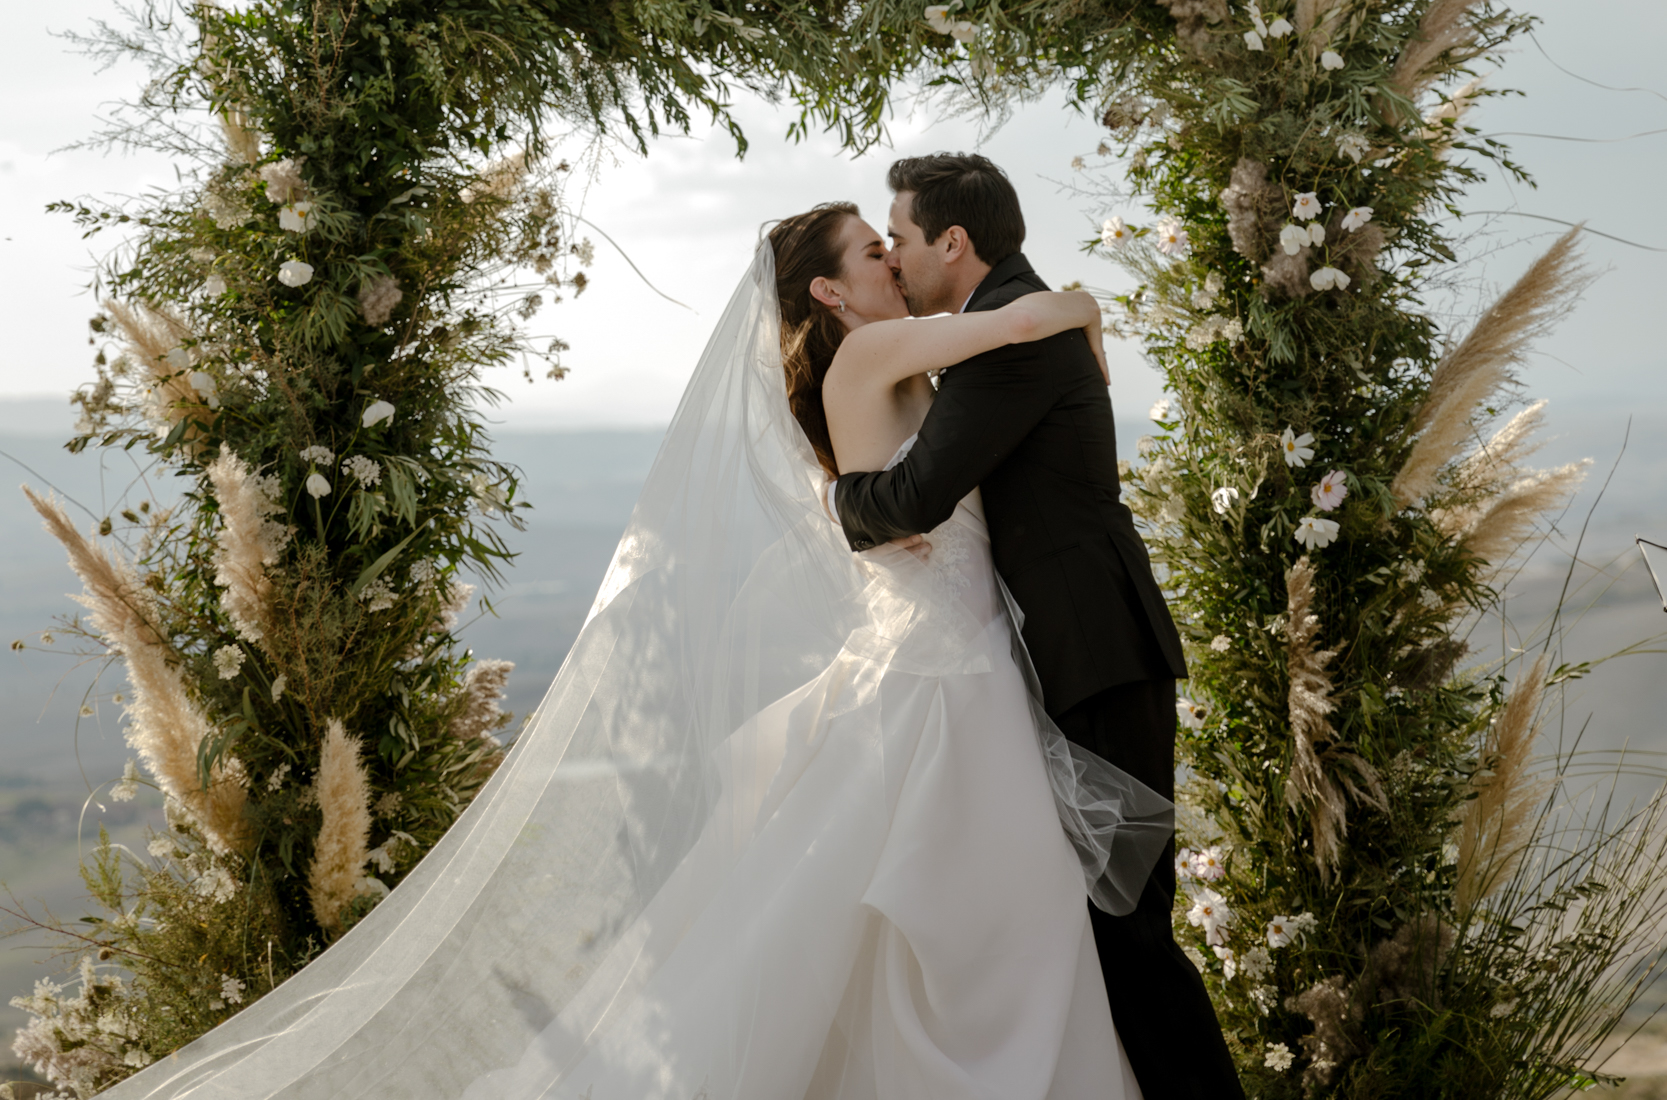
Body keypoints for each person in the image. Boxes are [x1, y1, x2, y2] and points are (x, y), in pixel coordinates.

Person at [105, 204, 1174, 1100]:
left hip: (957, 660)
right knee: (1000, 924)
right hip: (950, 677)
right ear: (829, 296)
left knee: (940, 932)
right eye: (869, 252)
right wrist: (1078, 307)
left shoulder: (869, 362)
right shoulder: (880, 348)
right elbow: (1016, 326)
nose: (890, 259)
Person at [835, 152, 1246, 1100]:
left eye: (898, 239)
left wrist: (828, 502)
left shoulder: (1007, 341)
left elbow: (913, 496)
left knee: (1130, 929)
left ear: (952, 240)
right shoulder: (1008, 320)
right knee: (1109, 924)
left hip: (1093, 652)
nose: (893, 260)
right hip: (1085, 645)